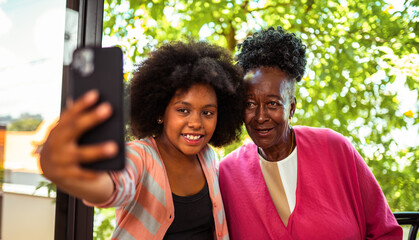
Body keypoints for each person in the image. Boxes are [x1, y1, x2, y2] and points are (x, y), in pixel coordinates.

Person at [40, 41, 245, 240]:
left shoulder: (208, 157)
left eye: (207, 113)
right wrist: (70, 175)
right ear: (160, 112)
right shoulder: (138, 155)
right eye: (183, 110)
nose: (196, 123)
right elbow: (112, 187)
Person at [219, 26, 402, 239]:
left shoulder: (334, 148)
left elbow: (385, 232)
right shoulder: (228, 173)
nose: (260, 116)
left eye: (272, 103)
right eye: (250, 104)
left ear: (292, 108)